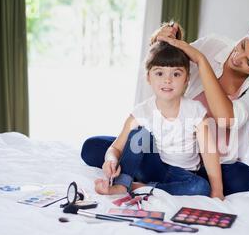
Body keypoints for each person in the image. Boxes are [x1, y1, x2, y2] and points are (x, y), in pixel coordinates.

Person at [82, 21, 249, 196]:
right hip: (167, 149)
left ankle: (144, 179)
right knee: (93, 148)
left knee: (244, 179)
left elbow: (225, 118)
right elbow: (168, 68)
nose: (236, 57)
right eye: (241, 46)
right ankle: (149, 176)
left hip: (210, 164)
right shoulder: (214, 45)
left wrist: (201, 60)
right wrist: (166, 39)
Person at [93, 41, 224, 199]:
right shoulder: (142, 111)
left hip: (182, 174)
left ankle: (141, 187)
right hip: (151, 167)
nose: (167, 80)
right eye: (159, 73)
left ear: (187, 79)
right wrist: (110, 159)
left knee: (201, 187)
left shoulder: (195, 110)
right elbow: (115, 148)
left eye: (176, 74)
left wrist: (218, 191)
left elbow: (209, 152)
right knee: (140, 134)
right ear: (149, 77)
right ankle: (122, 184)